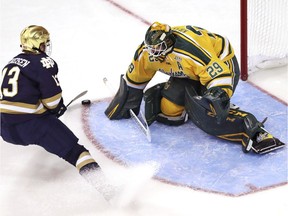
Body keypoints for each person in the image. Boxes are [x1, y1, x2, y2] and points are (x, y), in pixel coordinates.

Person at [105, 21, 285, 154]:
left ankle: (254, 132)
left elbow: (218, 72)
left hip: (222, 65)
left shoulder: (191, 50)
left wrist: (218, 94)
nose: (155, 53)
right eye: (152, 48)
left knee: (209, 114)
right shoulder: (147, 51)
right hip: (190, 73)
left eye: (160, 47)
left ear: (170, 41)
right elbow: (136, 75)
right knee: (168, 112)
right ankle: (186, 101)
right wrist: (127, 98)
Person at [0, 25, 113, 199]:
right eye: (45, 42)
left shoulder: (11, 63)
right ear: (38, 43)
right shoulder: (43, 62)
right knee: (77, 153)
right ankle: (109, 192)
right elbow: (52, 102)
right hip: (32, 126)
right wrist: (56, 108)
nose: (47, 46)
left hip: (5, 128)